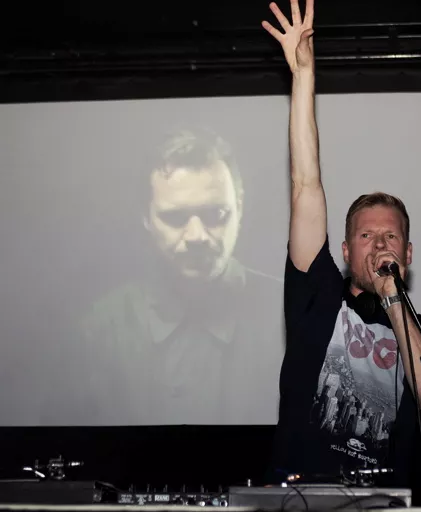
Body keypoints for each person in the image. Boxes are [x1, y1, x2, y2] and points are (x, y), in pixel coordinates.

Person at [262, 0, 421, 486]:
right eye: (366, 235)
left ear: (407, 252)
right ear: (346, 252)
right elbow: (306, 186)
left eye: (391, 236)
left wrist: (393, 300)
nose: (380, 244)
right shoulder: (318, 296)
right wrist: (303, 76)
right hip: (302, 499)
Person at [67, 127, 284, 426]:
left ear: (240, 207)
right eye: (175, 217)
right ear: (146, 217)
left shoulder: (294, 315)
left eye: (216, 214)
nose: (196, 236)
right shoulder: (99, 331)